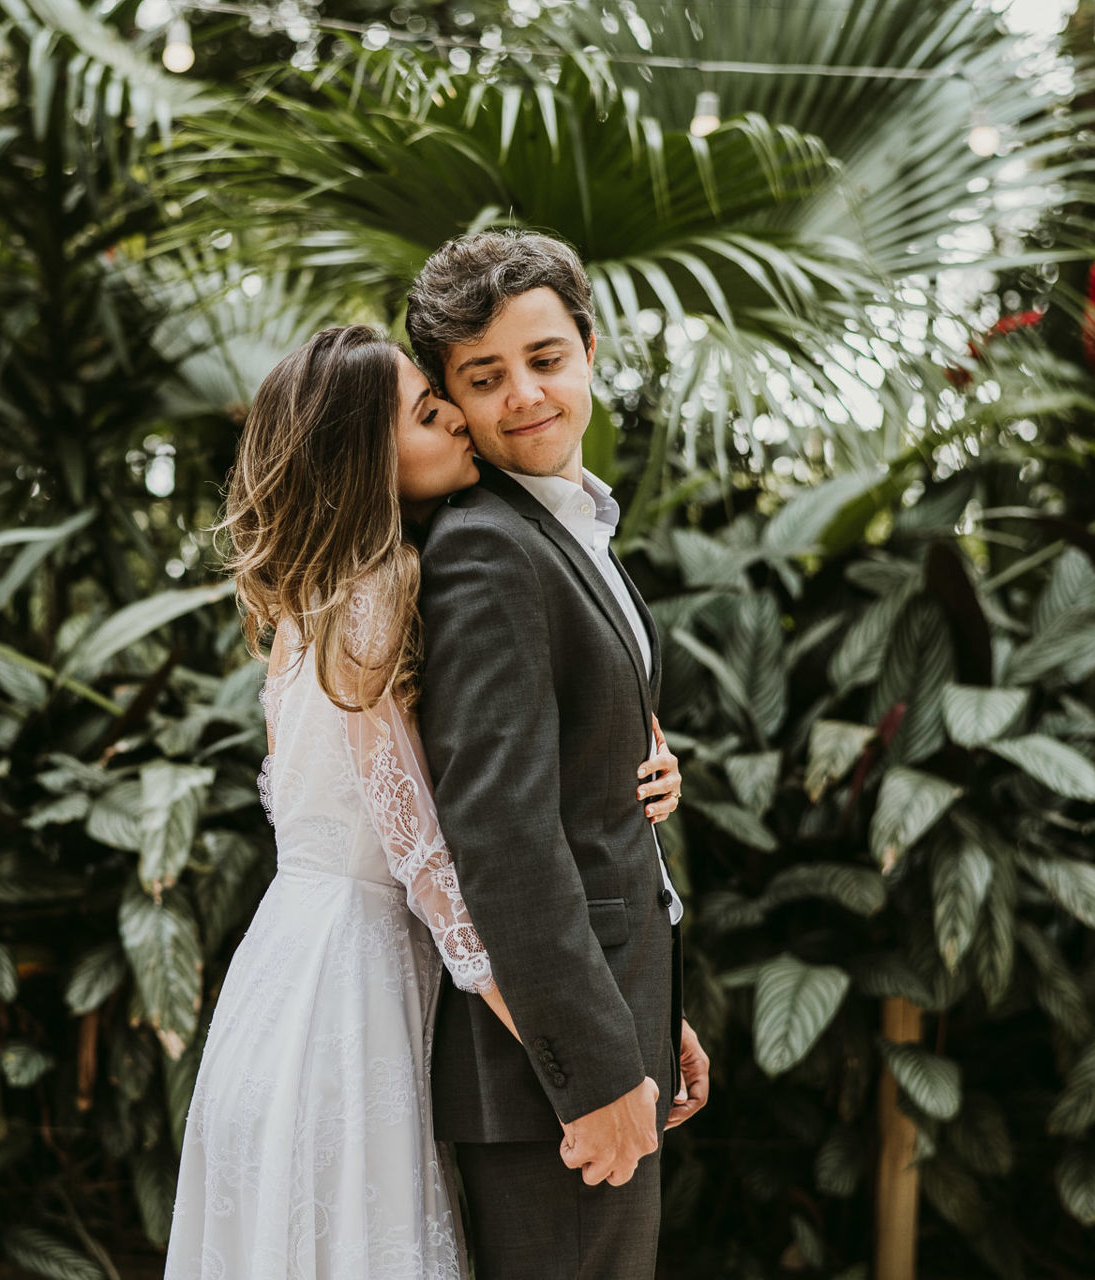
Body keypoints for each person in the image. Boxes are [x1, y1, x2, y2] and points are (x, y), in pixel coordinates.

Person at [164, 318, 690, 1278]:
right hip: (356, 991)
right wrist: (593, 1063)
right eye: (428, 407)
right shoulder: (374, 607)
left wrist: (638, 764)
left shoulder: (308, 609)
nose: (457, 418)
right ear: (366, 455)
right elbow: (447, 869)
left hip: (285, 974)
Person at [406, 228, 711, 1280]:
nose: (526, 394)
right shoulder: (485, 546)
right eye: (484, 377)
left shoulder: (570, 526)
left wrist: (652, 1013)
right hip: (551, 1081)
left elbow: (586, 793)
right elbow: (503, 833)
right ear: (450, 396)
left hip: (608, 1023)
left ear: (589, 346)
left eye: (545, 358)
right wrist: (589, 1066)